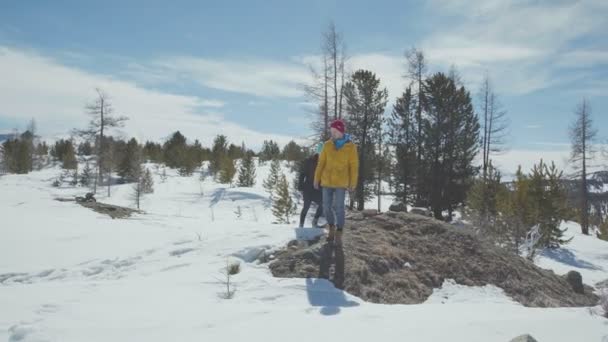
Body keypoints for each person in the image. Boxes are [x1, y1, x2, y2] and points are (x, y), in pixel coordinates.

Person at [314, 119, 359, 246]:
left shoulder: (351, 147)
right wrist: (316, 178)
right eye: (331, 131)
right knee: (326, 207)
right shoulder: (327, 145)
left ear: (340, 131)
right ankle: (332, 228)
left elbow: (353, 166)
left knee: (339, 207)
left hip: (341, 182)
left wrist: (352, 183)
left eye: (334, 131)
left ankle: (339, 231)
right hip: (327, 181)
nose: (332, 133)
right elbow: (321, 163)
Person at [297, 142, 324, 228]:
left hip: (318, 189)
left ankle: (314, 221)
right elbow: (302, 174)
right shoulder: (309, 161)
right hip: (308, 187)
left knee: (323, 204)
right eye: (320, 153)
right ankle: (301, 224)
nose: (321, 155)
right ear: (317, 152)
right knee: (306, 206)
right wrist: (300, 185)